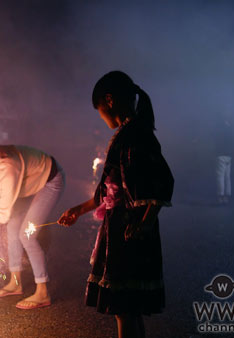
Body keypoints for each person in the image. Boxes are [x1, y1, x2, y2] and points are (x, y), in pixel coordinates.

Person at [57, 71, 173, 338]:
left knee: (124, 306)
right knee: (127, 308)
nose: (100, 116)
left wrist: (144, 222)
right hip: (121, 227)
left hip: (129, 230)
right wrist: (79, 209)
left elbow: (160, 181)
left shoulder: (136, 135)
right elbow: (110, 187)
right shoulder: (126, 134)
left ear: (109, 101)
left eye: (99, 110)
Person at [0, 139, 65, 310]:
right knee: (12, 229)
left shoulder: (7, 168)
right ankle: (15, 283)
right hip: (27, 183)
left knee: (26, 235)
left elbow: (3, 214)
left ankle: (43, 292)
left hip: (49, 181)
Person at [214, 111, 232, 205]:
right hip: (228, 156)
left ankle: (220, 196)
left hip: (220, 155)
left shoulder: (220, 129)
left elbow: (216, 142)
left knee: (220, 176)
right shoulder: (230, 129)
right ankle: (226, 196)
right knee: (227, 177)